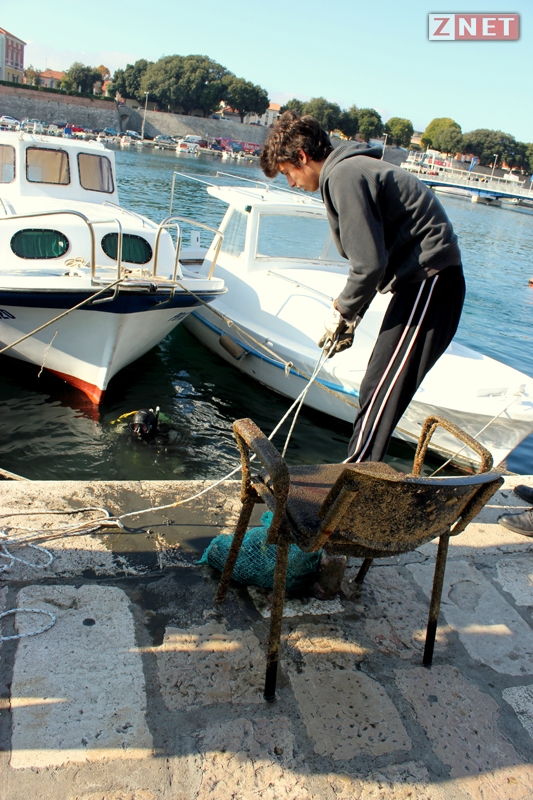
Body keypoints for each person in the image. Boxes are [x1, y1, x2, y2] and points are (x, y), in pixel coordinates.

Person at [260, 111, 465, 463]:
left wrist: (342, 309)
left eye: (287, 173)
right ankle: (361, 469)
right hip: (427, 283)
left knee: (382, 387)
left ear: (302, 157)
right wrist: (351, 317)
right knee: (377, 384)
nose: (291, 183)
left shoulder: (343, 175)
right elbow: (375, 260)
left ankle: (357, 475)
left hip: (431, 280)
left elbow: (369, 265)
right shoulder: (351, 169)